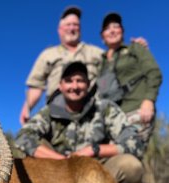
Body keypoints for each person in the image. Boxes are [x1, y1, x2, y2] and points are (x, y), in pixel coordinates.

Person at [15, 61, 144, 183]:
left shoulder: (105, 108)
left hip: (96, 174)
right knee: (27, 159)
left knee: (131, 166)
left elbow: (134, 142)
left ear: (88, 84)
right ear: (61, 85)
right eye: (69, 81)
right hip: (58, 174)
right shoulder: (48, 112)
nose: (75, 86)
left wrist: (94, 150)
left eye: (80, 81)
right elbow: (23, 137)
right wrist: (63, 161)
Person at [19, 6, 147, 125]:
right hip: (57, 116)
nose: (72, 28)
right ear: (60, 30)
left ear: (80, 28)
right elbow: (36, 86)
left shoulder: (96, 52)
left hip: (92, 117)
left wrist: (134, 50)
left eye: (76, 25)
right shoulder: (47, 55)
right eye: (68, 24)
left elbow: (120, 64)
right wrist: (27, 107)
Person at [97, 13, 162, 146]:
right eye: (108, 28)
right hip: (111, 119)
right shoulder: (100, 62)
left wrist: (149, 100)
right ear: (102, 36)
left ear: (122, 31)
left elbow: (154, 72)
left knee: (128, 154)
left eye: (117, 26)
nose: (113, 30)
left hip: (136, 110)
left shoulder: (135, 48)